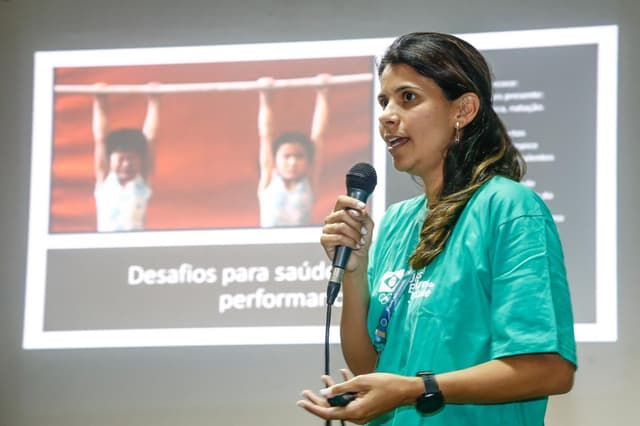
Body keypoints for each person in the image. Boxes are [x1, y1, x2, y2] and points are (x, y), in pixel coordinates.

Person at [297, 32, 577, 425]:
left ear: (462, 109)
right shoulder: (396, 221)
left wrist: (417, 389)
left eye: (408, 98)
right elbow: (370, 366)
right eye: (384, 101)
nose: (387, 115)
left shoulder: (508, 208)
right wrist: (355, 272)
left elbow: (549, 369)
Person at [256, 74, 329, 227]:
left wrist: (323, 94)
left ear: (309, 161)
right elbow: (266, 136)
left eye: (299, 156)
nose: (293, 162)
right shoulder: (269, 178)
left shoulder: (310, 182)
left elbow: (318, 135)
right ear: (274, 161)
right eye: (286, 156)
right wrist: (264, 96)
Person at [92, 86, 159, 232]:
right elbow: (100, 140)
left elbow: (150, 141)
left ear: (141, 161)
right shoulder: (105, 183)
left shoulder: (142, 185)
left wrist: (154, 102)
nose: (127, 164)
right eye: (121, 159)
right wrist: (99, 101)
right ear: (109, 161)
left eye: (132, 159)